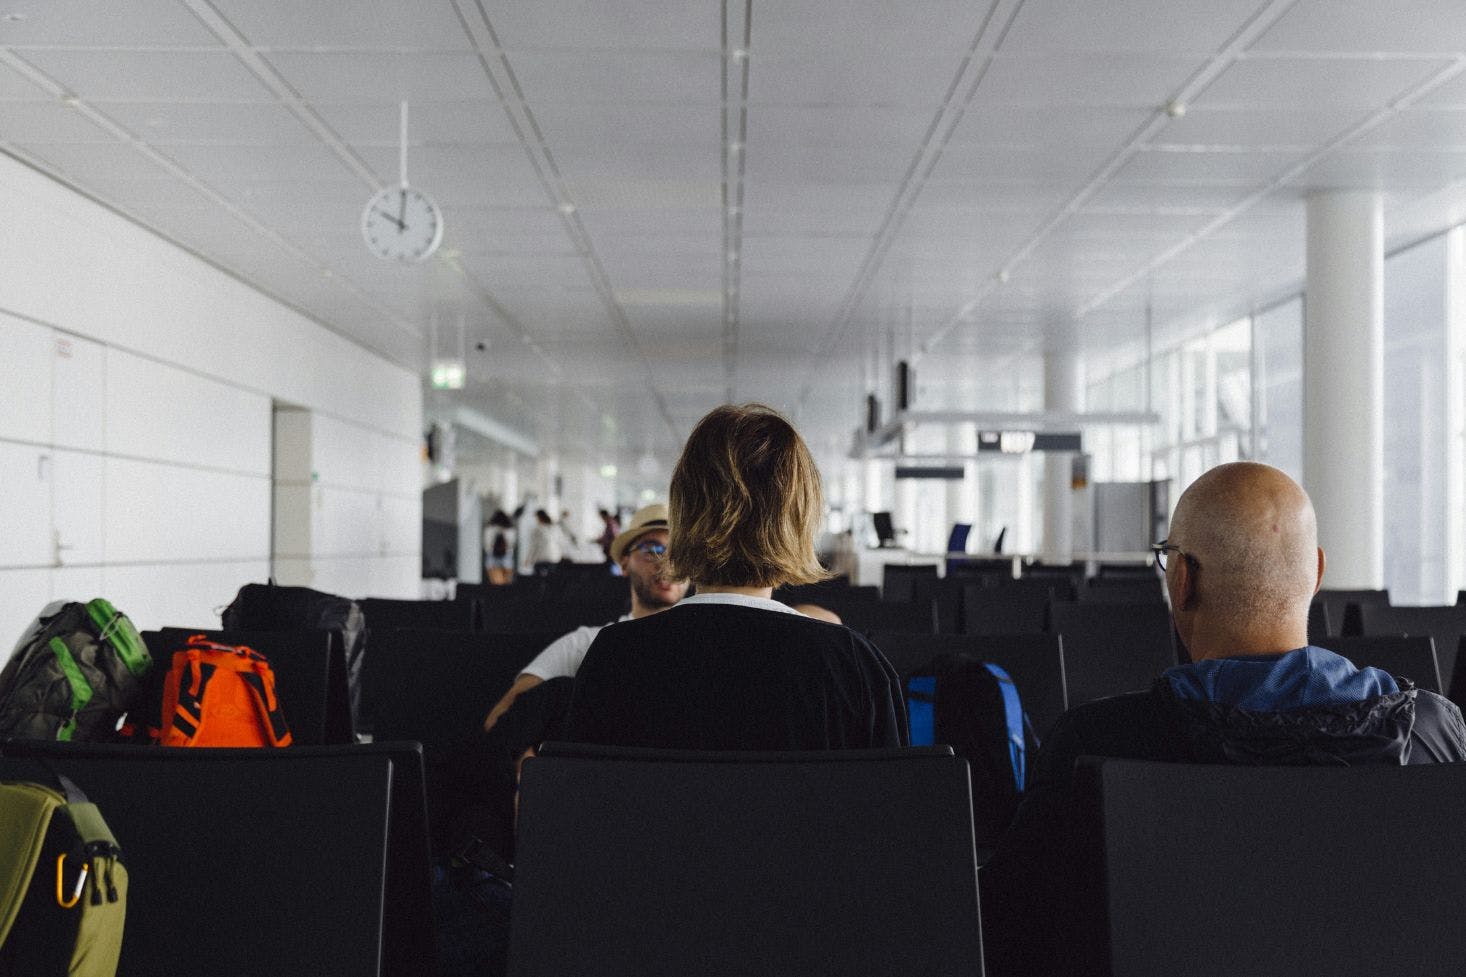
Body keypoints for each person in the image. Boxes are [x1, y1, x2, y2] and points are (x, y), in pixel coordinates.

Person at [980, 461, 1466, 977]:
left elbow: (1008, 933)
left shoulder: (1097, 743)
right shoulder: (1432, 731)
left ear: (1183, 580)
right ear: (1317, 574)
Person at [562, 403, 906, 751]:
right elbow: (887, 803)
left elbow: (582, 799)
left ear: (683, 515)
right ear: (800, 520)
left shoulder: (614, 657)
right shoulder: (855, 669)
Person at [481, 503, 687, 733]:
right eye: (652, 549)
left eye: (678, 553)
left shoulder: (701, 647)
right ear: (625, 563)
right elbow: (501, 718)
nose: (667, 564)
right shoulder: (587, 643)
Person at [524, 509, 562, 576]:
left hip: (541, 558)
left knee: (538, 580)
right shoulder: (554, 528)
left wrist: (528, 559)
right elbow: (559, 543)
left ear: (539, 517)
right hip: (553, 558)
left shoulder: (538, 529)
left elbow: (534, 546)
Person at [483, 510, 515, 586]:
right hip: (507, 556)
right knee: (506, 583)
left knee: (495, 583)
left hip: (492, 556)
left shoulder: (489, 529)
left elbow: (487, 544)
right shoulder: (510, 530)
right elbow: (512, 544)